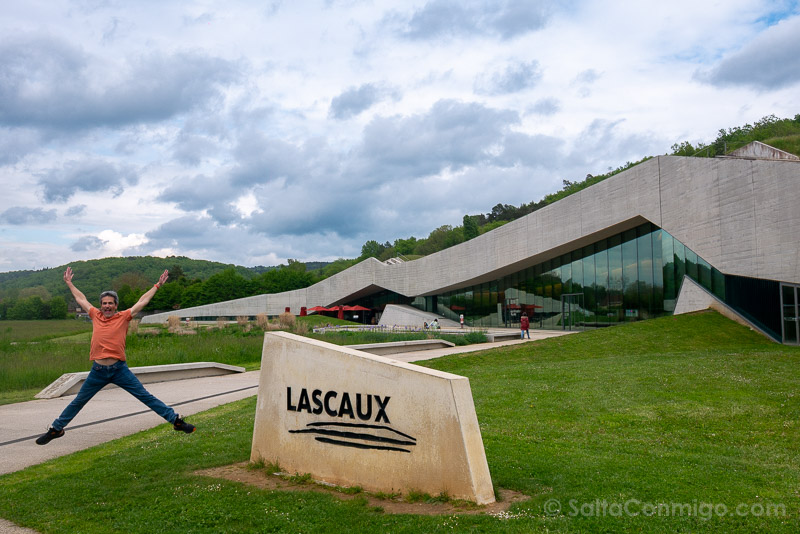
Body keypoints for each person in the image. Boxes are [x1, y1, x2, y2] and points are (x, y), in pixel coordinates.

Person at [35, 267, 196, 445]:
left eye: (110, 303)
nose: (107, 306)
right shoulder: (95, 315)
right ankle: (56, 429)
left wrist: (157, 285)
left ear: (116, 305)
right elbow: (81, 298)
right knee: (78, 401)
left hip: (119, 369)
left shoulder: (123, 317)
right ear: (101, 305)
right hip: (98, 371)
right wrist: (69, 283)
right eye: (104, 303)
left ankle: (176, 422)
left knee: (145, 396)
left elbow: (142, 302)